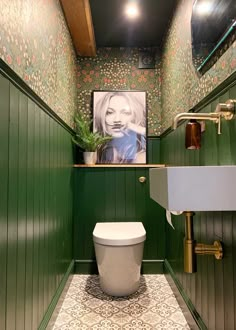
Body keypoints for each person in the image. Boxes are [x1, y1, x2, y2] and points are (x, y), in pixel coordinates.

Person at [94, 91, 146, 163]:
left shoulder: (141, 157)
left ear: (135, 117)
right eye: (109, 112)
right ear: (101, 116)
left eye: (125, 113)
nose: (117, 120)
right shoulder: (96, 154)